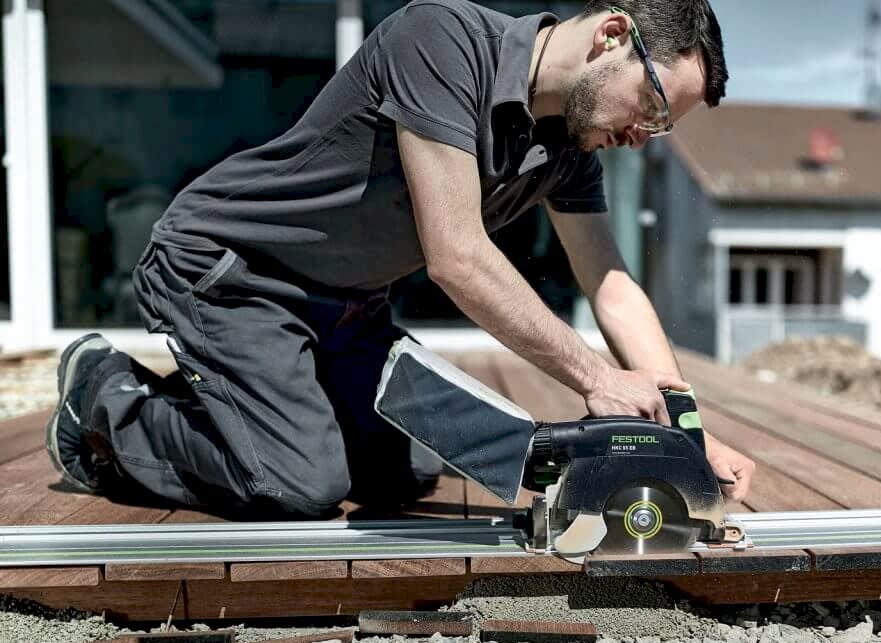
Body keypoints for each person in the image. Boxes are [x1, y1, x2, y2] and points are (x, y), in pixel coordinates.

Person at [46, 0, 756, 519]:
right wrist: (595, 378)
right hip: (229, 273)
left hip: (345, 308)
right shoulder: (441, 42)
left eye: (662, 129)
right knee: (298, 482)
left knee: (414, 465)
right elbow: (456, 256)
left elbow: (612, 287)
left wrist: (693, 439)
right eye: (655, 106)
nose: (645, 136)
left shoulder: (567, 150)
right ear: (611, 36)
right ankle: (107, 398)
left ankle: (253, 404)